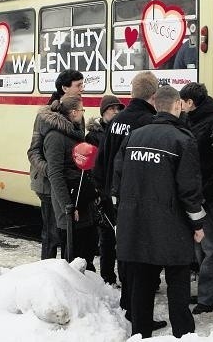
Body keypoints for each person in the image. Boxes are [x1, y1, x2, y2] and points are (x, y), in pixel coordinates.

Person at [112, 85, 205, 339]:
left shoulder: (134, 137)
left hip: (136, 221)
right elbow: (189, 190)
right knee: (178, 282)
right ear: (177, 106)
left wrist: (122, 214)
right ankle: (183, 334)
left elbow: (117, 179)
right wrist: (198, 224)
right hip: (171, 224)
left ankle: (140, 333)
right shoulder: (183, 140)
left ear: (155, 106)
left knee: (141, 281)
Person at [92, 71, 166, 331]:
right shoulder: (149, 121)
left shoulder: (116, 121)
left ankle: (126, 304)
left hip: (114, 197)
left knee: (123, 251)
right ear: (154, 96)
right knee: (142, 258)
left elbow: (101, 161)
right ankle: (138, 314)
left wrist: (103, 193)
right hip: (137, 198)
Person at [179, 82, 213, 314]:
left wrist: (205, 194)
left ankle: (208, 297)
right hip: (198, 192)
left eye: (183, 102)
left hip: (208, 193)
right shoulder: (196, 119)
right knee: (201, 244)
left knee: (210, 245)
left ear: (190, 103)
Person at [28, 69, 84, 259]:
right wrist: (52, 171)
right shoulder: (45, 115)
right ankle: (49, 277)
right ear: (64, 88)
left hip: (68, 183)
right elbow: (33, 151)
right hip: (47, 185)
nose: (81, 90)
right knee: (52, 235)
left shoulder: (77, 113)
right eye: (78, 86)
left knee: (69, 233)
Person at [43, 94, 97, 269]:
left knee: (86, 245)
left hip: (79, 197)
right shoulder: (56, 137)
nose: (83, 113)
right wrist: (68, 206)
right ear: (74, 112)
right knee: (72, 250)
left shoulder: (74, 131)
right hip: (68, 202)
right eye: (82, 110)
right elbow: (55, 174)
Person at [85, 94, 124, 284]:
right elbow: (91, 166)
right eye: (111, 109)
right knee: (107, 236)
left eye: (118, 109)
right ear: (103, 112)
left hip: (119, 189)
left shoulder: (121, 131)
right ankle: (108, 277)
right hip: (104, 191)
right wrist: (97, 192)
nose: (116, 113)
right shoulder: (93, 135)